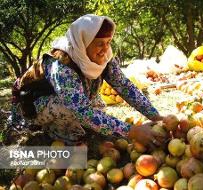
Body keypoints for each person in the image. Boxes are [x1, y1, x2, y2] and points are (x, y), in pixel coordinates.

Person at [10, 14, 165, 148]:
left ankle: (72, 127)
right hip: (32, 102)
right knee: (72, 111)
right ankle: (53, 131)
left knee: (96, 108)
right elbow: (81, 110)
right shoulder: (61, 66)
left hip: (69, 100)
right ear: (84, 43)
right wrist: (132, 131)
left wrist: (155, 116)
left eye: (108, 42)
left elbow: (124, 86)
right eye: (99, 44)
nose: (105, 49)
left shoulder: (104, 57)